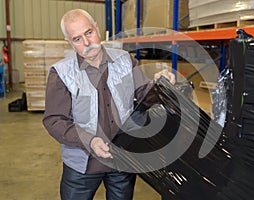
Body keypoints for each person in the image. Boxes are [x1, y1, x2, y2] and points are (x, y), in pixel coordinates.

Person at [43, 9, 175, 200]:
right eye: (77, 39)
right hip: (82, 166)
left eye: (89, 33)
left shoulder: (125, 60)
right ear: (69, 42)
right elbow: (54, 120)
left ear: (97, 28)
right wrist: (90, 140)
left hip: (122, 161)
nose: (87, 43)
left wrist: (161, 86)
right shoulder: (61, 73)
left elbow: (146, 96)